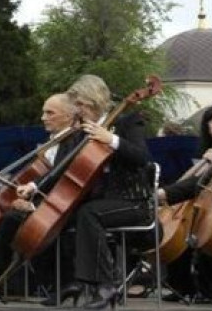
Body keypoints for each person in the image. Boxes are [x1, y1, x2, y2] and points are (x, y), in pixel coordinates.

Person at [0, 92, 83, 303]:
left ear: (69, 116)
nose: (43, 117)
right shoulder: (54, 141)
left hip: (57, 204)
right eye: (44, 112)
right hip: (40, 198)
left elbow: (61, 177)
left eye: (50, 113)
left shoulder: (73, 140)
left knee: (10, 218)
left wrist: (33, 197)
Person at [57, 75, 152, 309]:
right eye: (76, 105)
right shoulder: (82, 129)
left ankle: (106, 286)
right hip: (103, 200)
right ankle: (76, 282)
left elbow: (142, 158)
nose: (77, 110)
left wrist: (111, 139)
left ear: (95, 100)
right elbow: (64, 169)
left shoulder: (129, 121)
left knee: (88, 214)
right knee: (64, 212)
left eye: (81, 104)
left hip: (133, 201)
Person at [156, 104, 212, 301]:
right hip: (209, 205)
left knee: (202, 231)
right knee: (184, 227)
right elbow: (196, 183)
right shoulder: (208, 151)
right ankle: (185, 286)